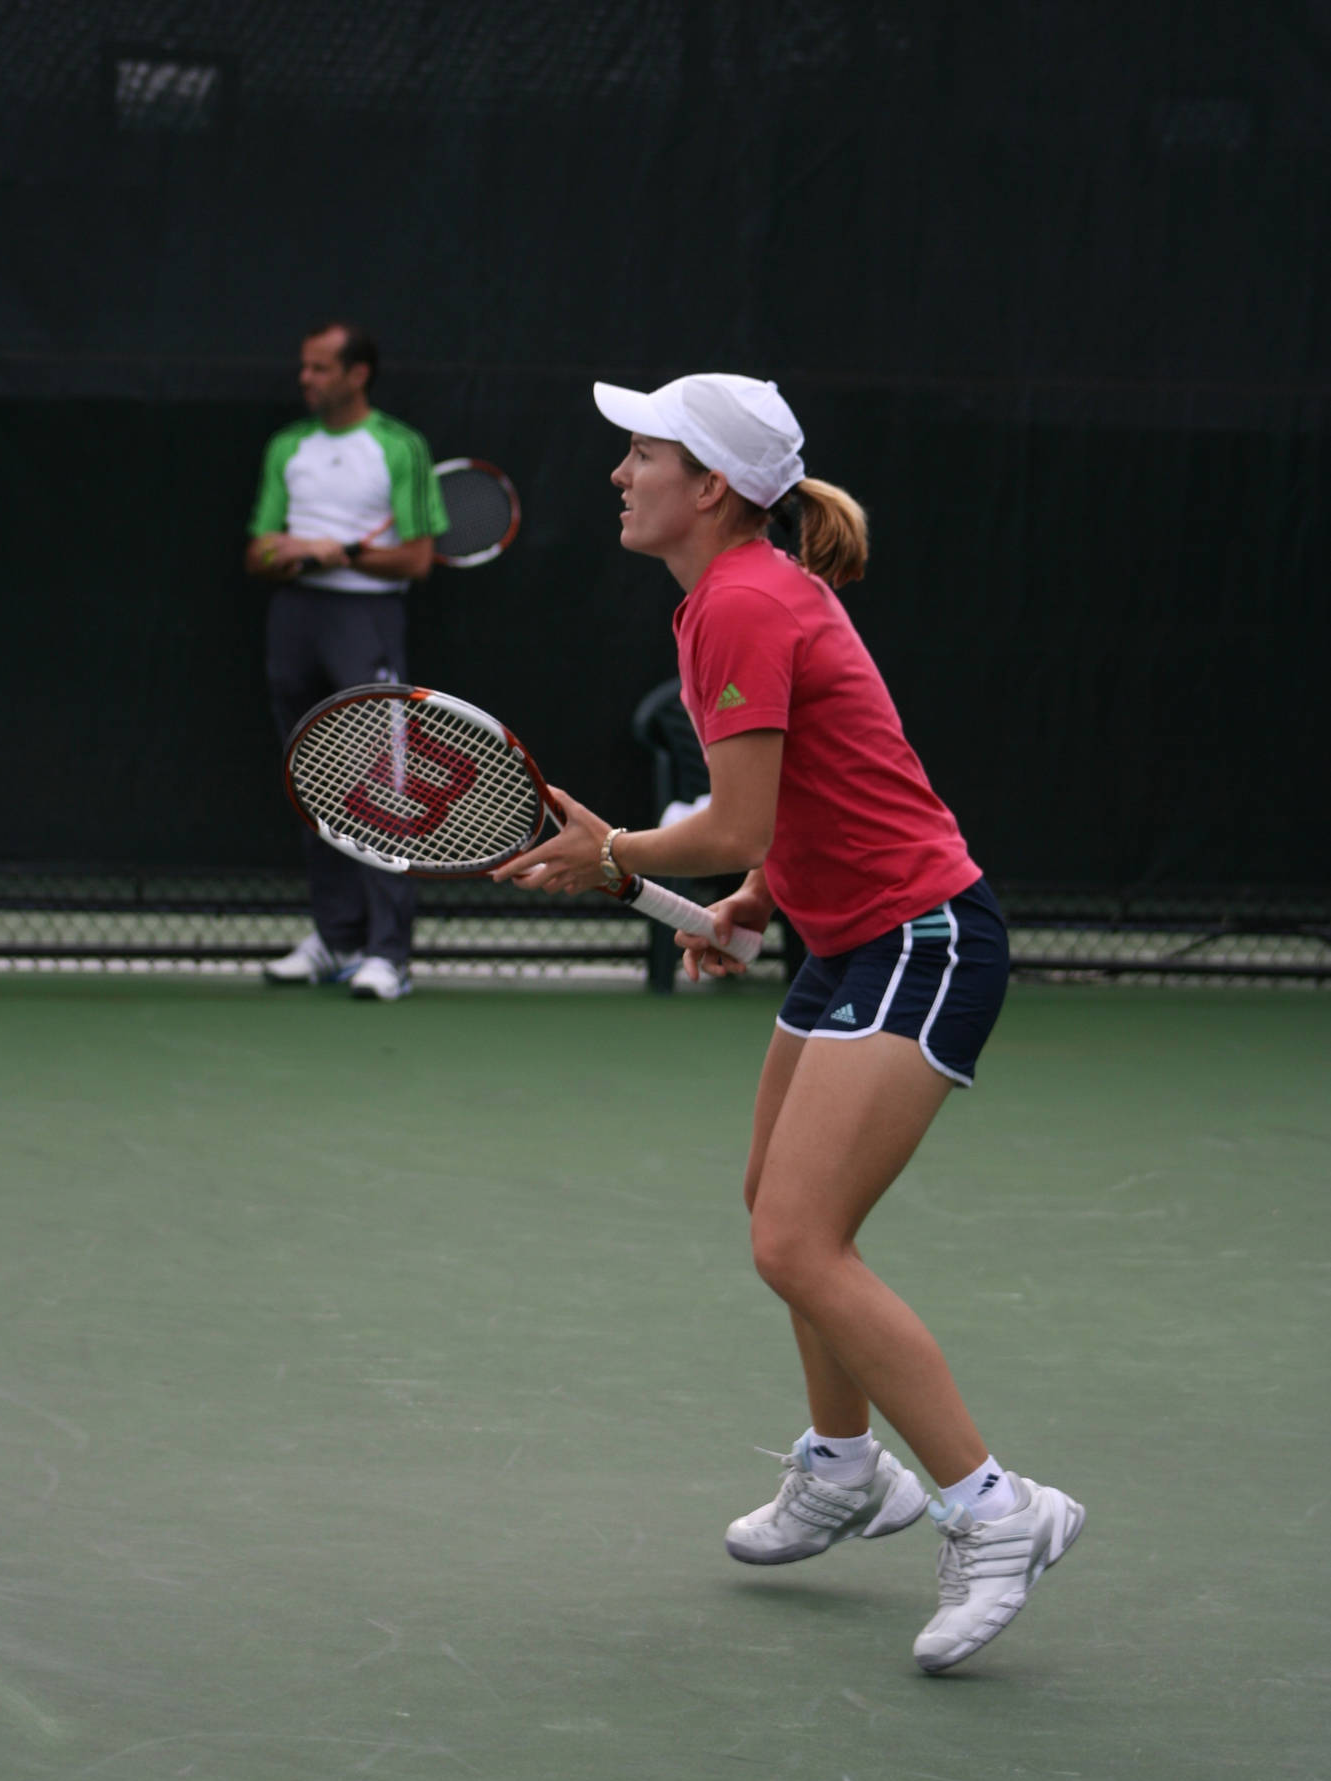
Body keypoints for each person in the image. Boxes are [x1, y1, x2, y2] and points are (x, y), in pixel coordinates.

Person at [495, 373, 1083, 1674]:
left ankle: (998, 1510)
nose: (618, 472)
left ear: (709, 485)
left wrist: (618, 855)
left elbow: (734, 817)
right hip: (845, 934)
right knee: (780, 1207)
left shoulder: (743, 602)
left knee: (797, 1240)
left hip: (920, 941)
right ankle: (840, 1471)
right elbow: (836, 777)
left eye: (641, 452)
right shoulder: (742, 597)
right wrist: (759, 901)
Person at [247, 322, 448, 1002]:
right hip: (294, 618)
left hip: (366, 621)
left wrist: (348, 552)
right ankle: (336, 936)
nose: (307, 379)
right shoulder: (288, 446)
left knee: (380, 785)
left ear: (357, 374)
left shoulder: (399, 446)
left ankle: (388, 954)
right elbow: (257, 551)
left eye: (321, 368)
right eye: (304, 367)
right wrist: (295, 551)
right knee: (311, 782)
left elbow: (418, 557)